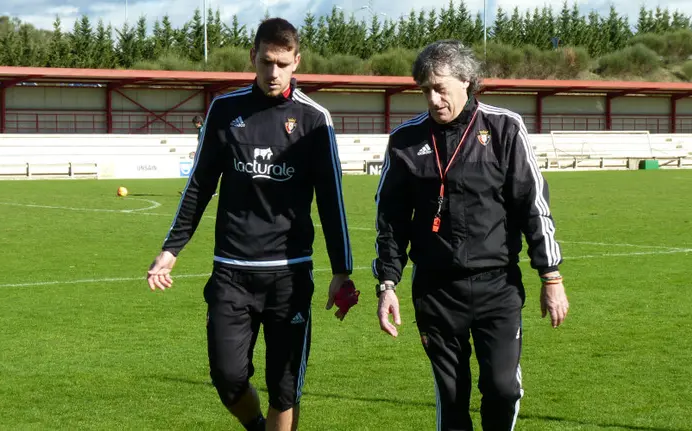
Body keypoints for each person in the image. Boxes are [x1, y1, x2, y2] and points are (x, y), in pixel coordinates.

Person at [147, 17, 355, 431]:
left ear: (297, 61)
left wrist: (341, 271)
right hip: (232, 273)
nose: (273, 72)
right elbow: (199, 186)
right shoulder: (225, 110)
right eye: (265, 62)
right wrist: (171, 250)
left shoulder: (315, 120)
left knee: (285, 388)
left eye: (282, 63)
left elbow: (332, 202)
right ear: (252, 58)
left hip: (289, 276)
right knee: (227, 377)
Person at [372, 40, 570, 431]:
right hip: (435, 291)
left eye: (440, 87)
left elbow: (534, 205)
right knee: (451, 398)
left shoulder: (504, 128)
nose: (433, 98)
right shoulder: (405, 141)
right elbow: (390, 220)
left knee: (501, 389)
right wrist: (387, 284)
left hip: (496, 286)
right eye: (425, 89)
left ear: (466, 81)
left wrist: (551, 276)